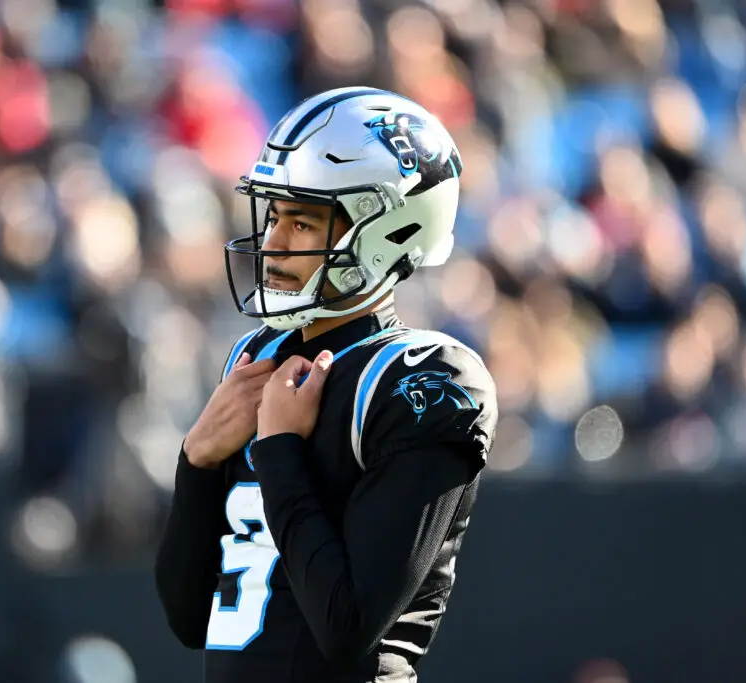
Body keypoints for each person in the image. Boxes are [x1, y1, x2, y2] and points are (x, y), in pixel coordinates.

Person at [154, 86, 498, 683]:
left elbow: (346, 627)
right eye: (276, 215)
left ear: (385, 231)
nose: (276, 242)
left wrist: (281, 450)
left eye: (304, 220)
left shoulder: (426, 382)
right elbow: (188, 618)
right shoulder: (255, 356)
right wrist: (197, 460)